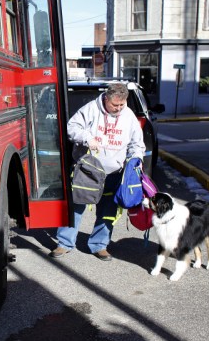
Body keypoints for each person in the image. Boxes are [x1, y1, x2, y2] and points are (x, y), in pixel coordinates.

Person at [51, 82, 145, 261]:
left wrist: (136, 159)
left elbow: (137, 143)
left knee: (108, 211)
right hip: (88, 171)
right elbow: (72, 127)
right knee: (76, 206)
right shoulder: (91, 109)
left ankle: (99, 245)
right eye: (114, 105)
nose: (118, 108)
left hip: (114, 173)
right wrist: (87, 138)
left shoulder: (129, 116)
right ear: (106, 98)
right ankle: (64, 243)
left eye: (121, 105)